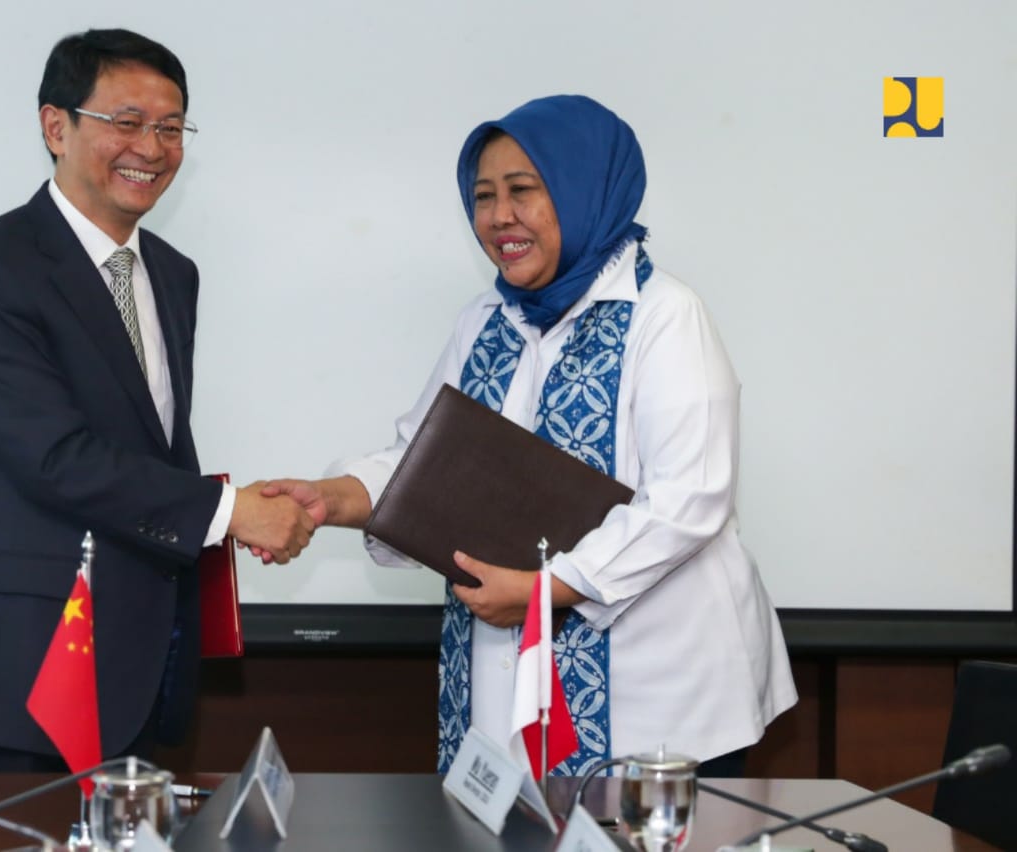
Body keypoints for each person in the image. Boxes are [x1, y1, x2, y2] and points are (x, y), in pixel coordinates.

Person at [259, 95, 797, 777]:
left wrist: (547, 590)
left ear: (583, 191)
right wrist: (330, 498)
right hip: (510, 688)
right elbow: (423, 462)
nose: (498, 218)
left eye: (523, 191)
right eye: (483, 196)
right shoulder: (485, 318)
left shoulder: (666, 317)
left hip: (663, 697)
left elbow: (687, 502)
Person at [0, 28, 316, 771]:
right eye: (126, 122)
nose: (151, 147)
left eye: (170, 127)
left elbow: (147, 447)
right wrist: (229, 511)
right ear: (56, 126)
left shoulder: (173, 274)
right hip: (7, 683)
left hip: (132, 675)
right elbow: (54, 458)